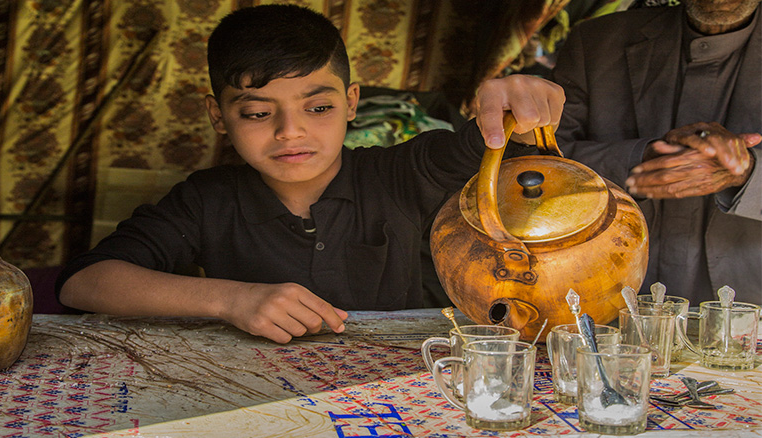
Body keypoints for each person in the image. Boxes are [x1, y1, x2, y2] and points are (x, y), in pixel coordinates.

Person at [56, 4, 565, 343]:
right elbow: (84, 283)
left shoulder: (404, 171)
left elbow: (492, 135)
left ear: (350, 103)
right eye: (257, 114)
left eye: (317, 108)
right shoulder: (206, 200)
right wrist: (233, 298)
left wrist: (519, 96)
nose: (288, 132)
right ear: (218, 117)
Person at [551, 0, 761, 305]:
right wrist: (641, 159)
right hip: (599, 295)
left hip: (746, 306)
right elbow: (537, 165)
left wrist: (746, 173)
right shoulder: (596, 43)